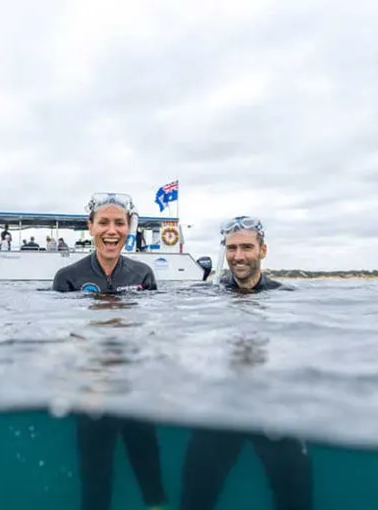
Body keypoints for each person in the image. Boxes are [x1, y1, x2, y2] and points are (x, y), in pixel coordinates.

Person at [180, 216, 312, 510]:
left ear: (263, 250)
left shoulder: (285, 296)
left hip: (272, 407)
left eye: (247, 247)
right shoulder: (205, 295)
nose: (238, 256)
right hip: (219, 407)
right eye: (232, 248)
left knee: (296, 500)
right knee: (194, 501)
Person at [53, 192, 167, 510]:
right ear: (90, 227)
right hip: (92, 388)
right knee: (95, 483)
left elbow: (150, 330)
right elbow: (63, 337)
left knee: (151, 480)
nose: (112, 230)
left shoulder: (143, 274)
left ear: (129, 228)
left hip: (133, 384)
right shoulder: (68, 278)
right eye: (103, 222)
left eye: (119, 223)